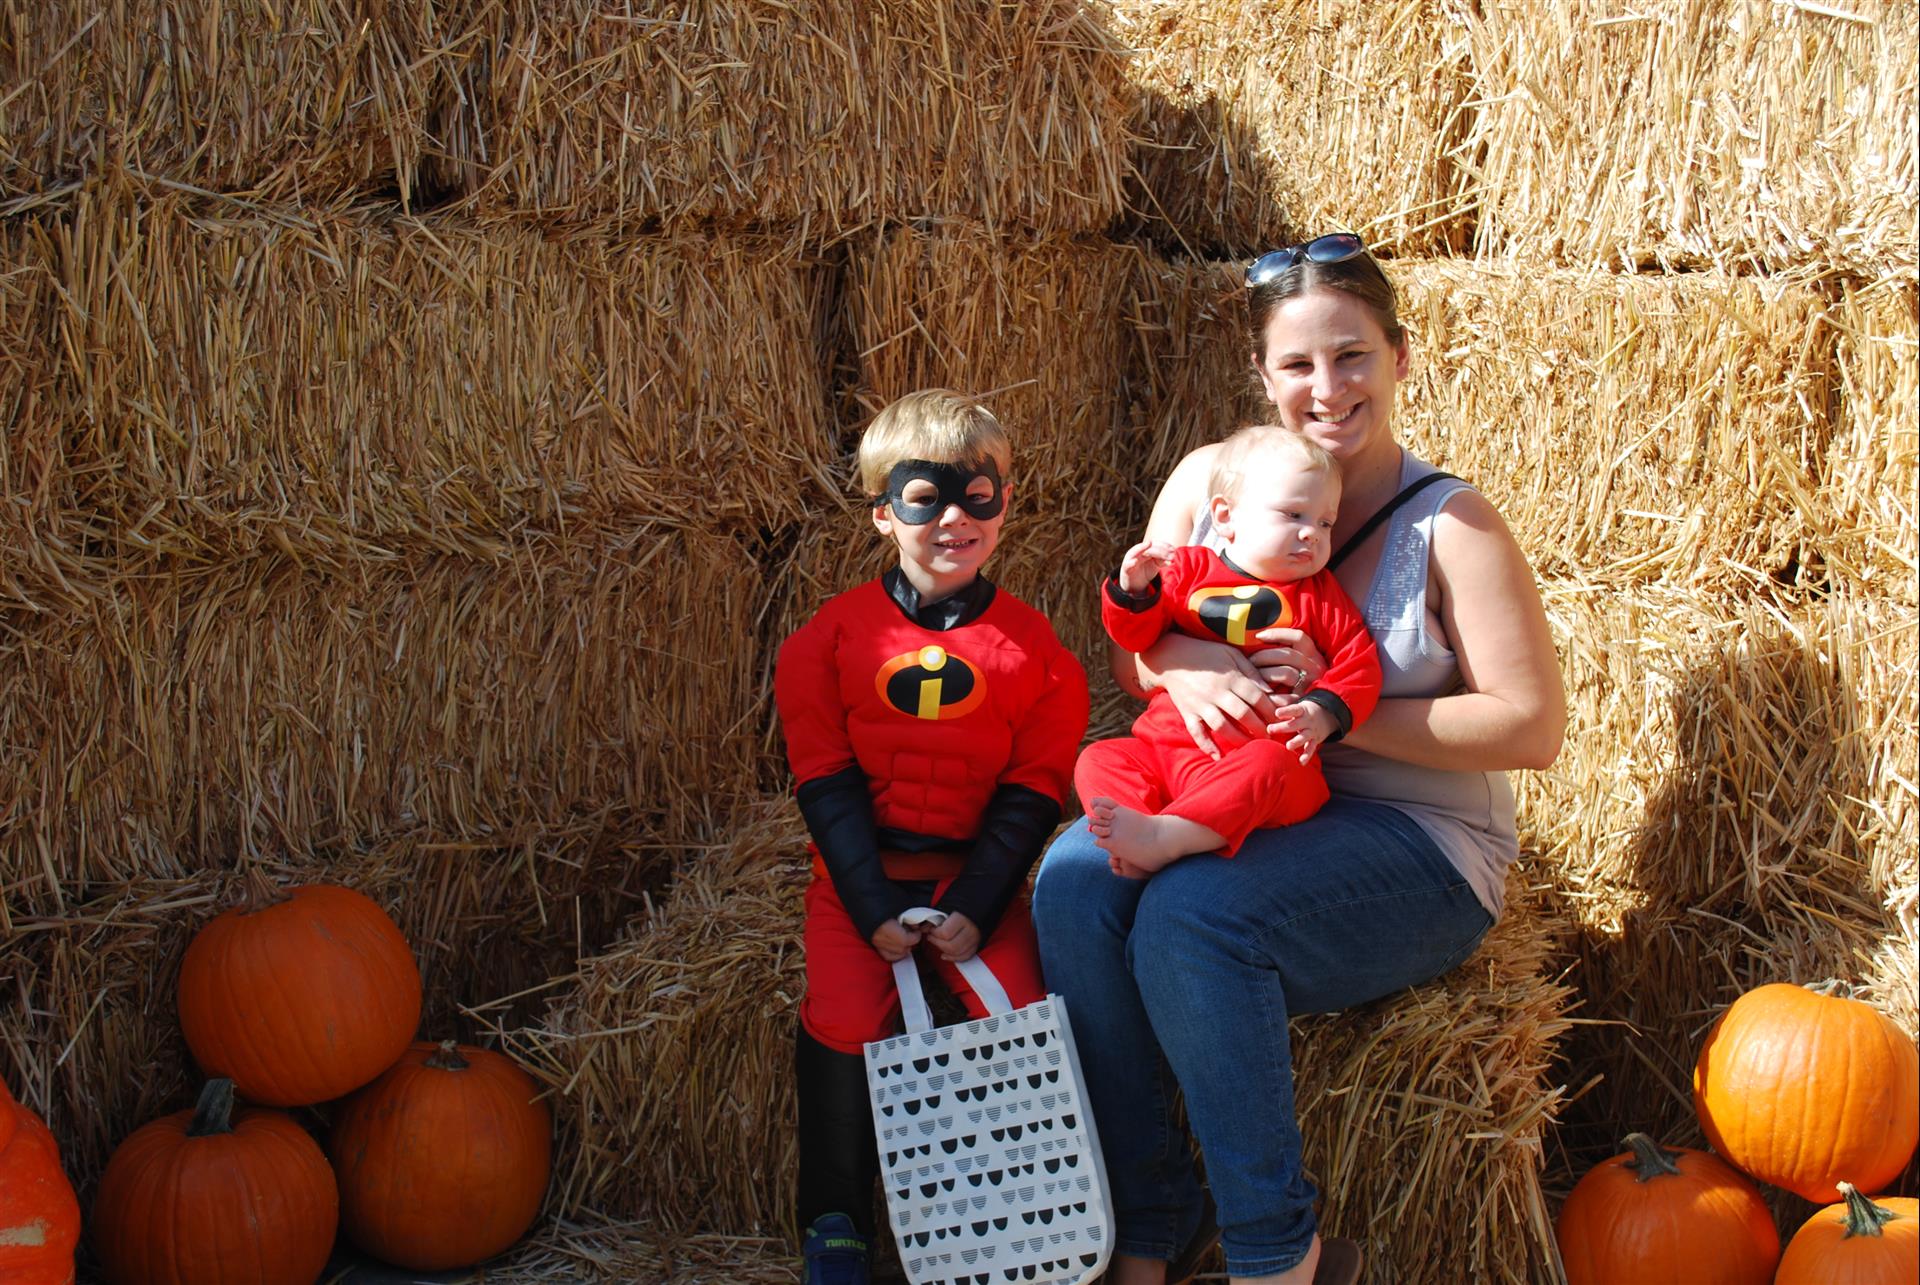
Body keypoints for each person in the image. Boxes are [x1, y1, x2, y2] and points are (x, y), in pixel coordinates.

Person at [1031, 234, 1566, 1285]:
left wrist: (1328, 706)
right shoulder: (1209, 483)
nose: (1328, 388)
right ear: (1262, 375)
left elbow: (1528, 726)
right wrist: (1184, 667)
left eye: (1353, 355)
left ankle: (1284, 1255)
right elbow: (1144, 645)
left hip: (1413, 840)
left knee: (1193, 920)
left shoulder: (1450, 525)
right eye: (1298, 364)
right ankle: (1154, 1219)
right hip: (1245, 802)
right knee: (1073, 883)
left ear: (1401, 358)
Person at [774, 388, 1090, 1285]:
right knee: (839, 1021)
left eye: (977, 495)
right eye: (925, 496)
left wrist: (981, 907)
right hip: (858, 882)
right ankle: (834, 1219)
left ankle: (1022, 1207)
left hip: (974, 879)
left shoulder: (1040, 655)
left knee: (1025, 1019)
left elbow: (1032, 792)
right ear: (882, 513)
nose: (953, 517)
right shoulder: (824, 644)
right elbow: (824, 780)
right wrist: (871, 903)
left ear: (1006, 504)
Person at [1078, 426, 1381, 876]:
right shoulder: (1186, 570)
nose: (1311, 534)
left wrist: (1322, 711)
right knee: (1100, 758)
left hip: (1259, 767)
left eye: (1324, 523)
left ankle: (1169, 837)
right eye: (1293, 514)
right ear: (1224, 517)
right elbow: (1135, 640)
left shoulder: (1318, 595)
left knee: (1270, 763)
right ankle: (1140, 831)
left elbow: (1360, 664)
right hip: (1168, 754)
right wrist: (1134, 590)